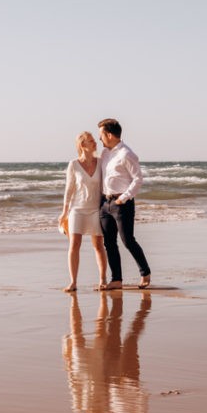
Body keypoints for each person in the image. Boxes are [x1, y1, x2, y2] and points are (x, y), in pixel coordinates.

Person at [97, 118, 151, 290]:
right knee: (109, 243)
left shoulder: (127, 154)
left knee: (127, 240)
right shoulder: (105, 153)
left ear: (110, 135)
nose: (100, 139)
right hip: (105, 203)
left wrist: (124, 197)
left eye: (101, 135)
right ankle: (117, 279)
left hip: (122, 203)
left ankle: (145, 272)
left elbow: (138, 179)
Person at [58, 131, 108, 293]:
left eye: (94, 140)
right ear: (82, 145)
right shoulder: (73, 164)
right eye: (91, 141)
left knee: (98, 245)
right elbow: (69, 189)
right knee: (74, 245)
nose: (95, 143)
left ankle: (103, 280)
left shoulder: (101, 162)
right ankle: (73, 282)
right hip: (77, 210)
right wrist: (64, 212)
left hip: (95, 209)